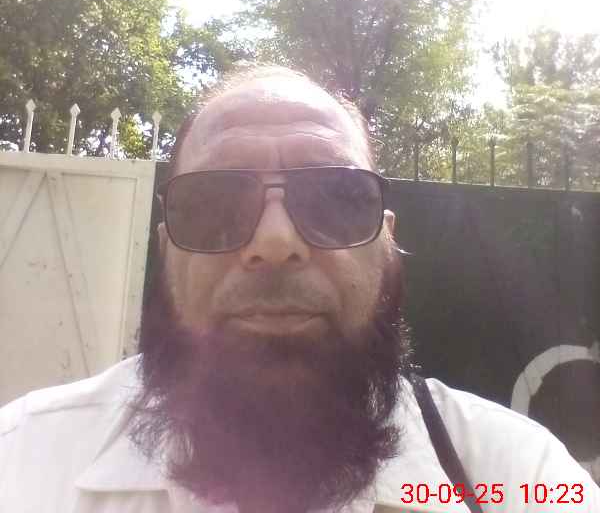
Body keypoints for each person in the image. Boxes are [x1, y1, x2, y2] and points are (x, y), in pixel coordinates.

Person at [1, 64, 598, 513]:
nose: (275, 241)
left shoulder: (516, 478)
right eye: (214, 204)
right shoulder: (25, 461)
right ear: (166, 250)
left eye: (336, 198)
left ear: (386, 247)